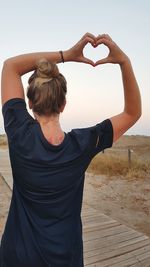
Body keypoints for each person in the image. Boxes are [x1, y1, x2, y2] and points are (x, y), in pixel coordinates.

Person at [0, 33, 141, 267]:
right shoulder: (83, 144)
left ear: (30, 103)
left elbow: (10, 66)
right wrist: (124, 62)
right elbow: (132, 113)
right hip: (64, 258)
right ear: (63, 104)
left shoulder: (19, 132)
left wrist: (67, 56)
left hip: (17, 255)